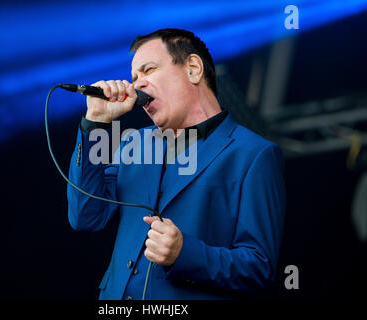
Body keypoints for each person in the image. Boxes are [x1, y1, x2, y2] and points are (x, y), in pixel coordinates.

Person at [67, 28, 285, 300]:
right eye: (134, 78)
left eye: (148, 70)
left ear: (193, 69)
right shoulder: (134, 144)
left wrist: (185, 254)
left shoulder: (253, 155)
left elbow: (259, 267)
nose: (136, 86)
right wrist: (95, 122)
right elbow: (86, 216)